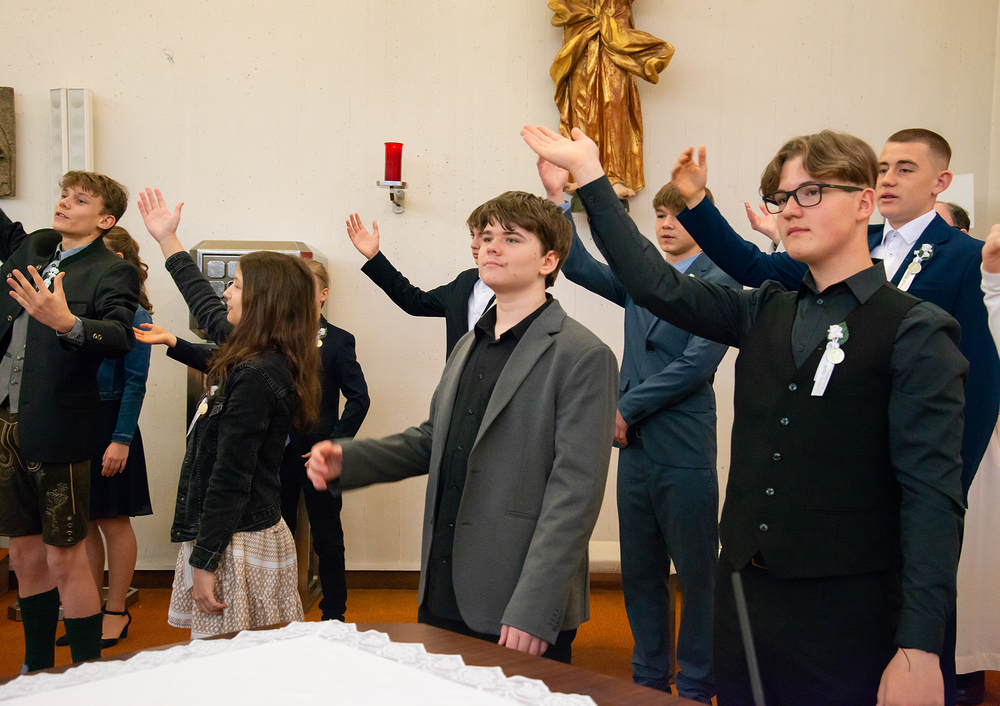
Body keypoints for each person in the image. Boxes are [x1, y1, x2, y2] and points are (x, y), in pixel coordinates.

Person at [523, 124, 966, 706]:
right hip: (745, 602)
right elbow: (654, 285)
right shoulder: (763, 310)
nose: (791, 209)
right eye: (783, 198)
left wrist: (921, 647)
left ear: (864, 203)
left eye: (811, 192)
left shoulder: (917, 329)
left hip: (846, 611)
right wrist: (590, 177)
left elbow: (932, 499)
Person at [309, 191, 618, 664]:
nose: (491, 246)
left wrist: (536, 607)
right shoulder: (469, 343)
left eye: (511, 238)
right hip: (445, 581)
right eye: (487, 236)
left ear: (549, 260)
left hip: (518, 596)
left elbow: (574, 495)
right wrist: (350, 459)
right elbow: (436, 439)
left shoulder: (583, 355)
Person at [548, 156, 734, 702]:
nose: (666, 223)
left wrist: (626, 407)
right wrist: (560, 202)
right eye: (660, 214)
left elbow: (697, 364)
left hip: (681, 443)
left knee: (696, 576)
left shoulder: (723, 279)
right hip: (634, 449)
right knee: (641, 571)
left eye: (677, 214)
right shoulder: (643, 277)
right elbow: (579, 267)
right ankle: (650, 679)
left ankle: (696, 683)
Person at [137, 187, 318, 638]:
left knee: (234, 660)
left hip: (235, 542)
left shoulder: (256, 373)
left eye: (235, 285)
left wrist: (205, 560)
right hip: (232, 535)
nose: (227, 292)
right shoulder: (257, 351)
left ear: (263, 301)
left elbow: (231, 475)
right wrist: (167, 240)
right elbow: (203, 303)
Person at [0, 172, 139, 671]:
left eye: (80, 200)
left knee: (64, 556)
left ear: (105, 220)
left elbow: (120, 336)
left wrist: (68, 323)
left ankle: (85, 675)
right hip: (7, 421)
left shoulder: (111, 270)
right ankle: (36, 668)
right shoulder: (35, 247)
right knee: (24, 554)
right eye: (63, 195)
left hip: (58, 426)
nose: (64, 203)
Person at [55, 226, 154, 650]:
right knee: (89, 520)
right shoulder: (83, 311)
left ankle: (116, 611)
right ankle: (90, 610)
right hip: (81, 421)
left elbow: (135, 383)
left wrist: (121, 439)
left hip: (113, 424)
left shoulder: (135, 315)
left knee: (114, 520)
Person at [279, 259, 369, 622]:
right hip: (278, 453)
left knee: (328, 536)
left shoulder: (338, 341)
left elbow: (359, 399)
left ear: (323, 295)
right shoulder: (274, 337)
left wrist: (334, 444)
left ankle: (333, 613)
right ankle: (279, 608)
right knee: (277, 533)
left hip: (320, 453)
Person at [347, 210, 493, 357]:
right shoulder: (465, 281)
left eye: (483, 237)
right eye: (472, 235)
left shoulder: (507, 291)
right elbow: (415, 301)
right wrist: (375, 257)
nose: (473, 244)